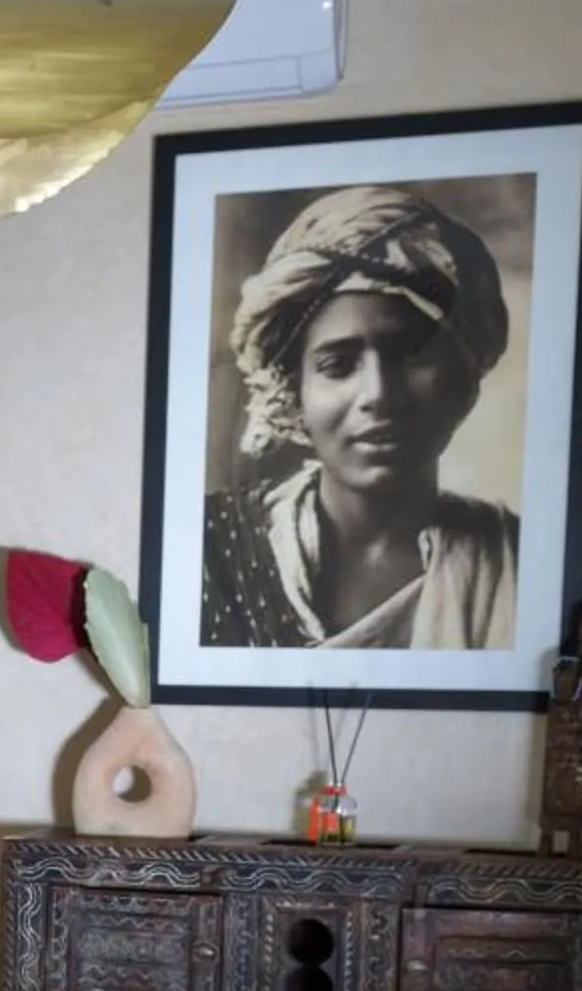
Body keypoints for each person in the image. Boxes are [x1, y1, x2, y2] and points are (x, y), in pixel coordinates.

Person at [202, 186, 518, 650]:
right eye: (337, 364)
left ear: (462, 372)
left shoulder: (515, 564)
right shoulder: (213, 551)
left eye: (409, 355)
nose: (379, 394)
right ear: (294, 392)